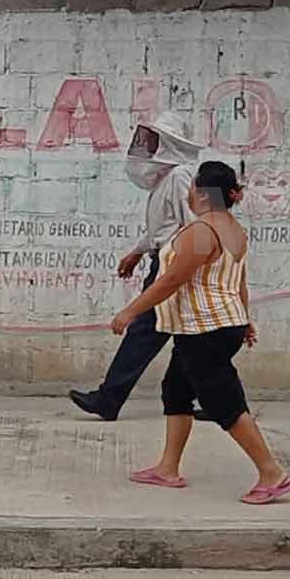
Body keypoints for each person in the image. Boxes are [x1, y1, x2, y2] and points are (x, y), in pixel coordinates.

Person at [111, 161, 290, 505]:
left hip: (206, 328)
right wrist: (246, 318)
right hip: (218, 323)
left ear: (202, 193)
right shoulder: (234, 230)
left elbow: (172, 279)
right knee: (176, 390)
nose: (188, 193)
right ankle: (168, 468)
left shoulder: (202, 232)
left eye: (193, 188)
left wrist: (131, 310)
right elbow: (237, 280)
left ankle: (272, 473)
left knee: (223, 401)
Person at [69, 113, 207, 422]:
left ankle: (109, 398)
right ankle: (211, 400)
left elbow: (192, 227)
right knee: (193, 336)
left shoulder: (180, 176)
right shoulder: (167, 179)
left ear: (168, 144)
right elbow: (162, 228)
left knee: (147, 331)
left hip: (175, 263)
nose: (147, 146)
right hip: (168, 260)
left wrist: (181, 269)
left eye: (154, 140)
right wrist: (137, 253)